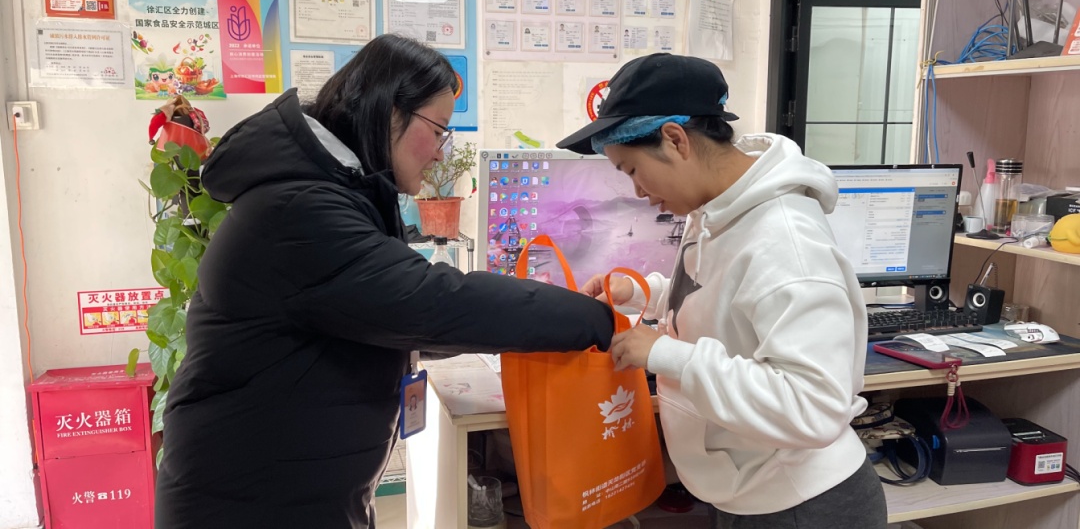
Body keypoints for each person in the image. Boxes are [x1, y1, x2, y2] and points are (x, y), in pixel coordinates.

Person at [155, 34, 615, 529]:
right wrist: (594, 319)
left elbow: (387, 311)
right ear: (389, 112)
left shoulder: (330, 190)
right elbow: (431, 303)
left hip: (287, 488)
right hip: (245, 502)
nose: (440, 154)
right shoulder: (298, 210)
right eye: (438, 131)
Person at [558, 53, 887, 529]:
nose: (637, 192)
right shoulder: (716, 208)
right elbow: (727, 299)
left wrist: (666, 355)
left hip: (802, 504)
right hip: (748, 492)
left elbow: (814, 407)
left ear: (675, 140)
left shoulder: (787, 241)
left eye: (630, 170)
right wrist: (644, 294)